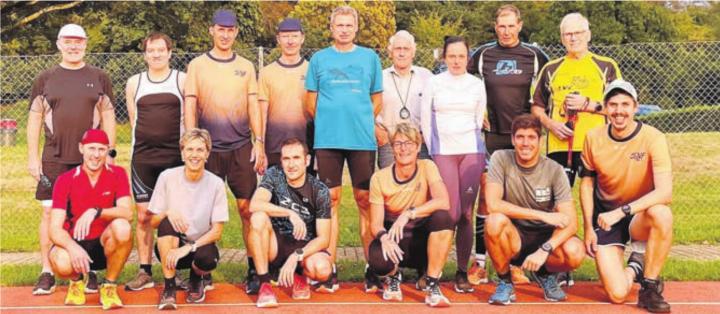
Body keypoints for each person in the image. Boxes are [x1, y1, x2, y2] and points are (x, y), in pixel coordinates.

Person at [531, 12, 621, 286]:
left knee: (602, 206)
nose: (573, 38)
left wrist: (589, 104)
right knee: (560, 207)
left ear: (588, 34)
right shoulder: (552, 68)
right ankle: (561, 264)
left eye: (578, 32)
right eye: (568, 34)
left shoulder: (605, 66)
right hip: (560, 147)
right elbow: (536, 107)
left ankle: (609, 263)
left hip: (598, 146)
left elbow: (620, 108)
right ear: (562, 38)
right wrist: (551, 124)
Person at [28, 23, 117, 295]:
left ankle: (87, 271)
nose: (74, 45)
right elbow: (34, 119)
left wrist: (109, 154)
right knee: (48, 213)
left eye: (79, 41)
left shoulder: (100, 77)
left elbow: (109, 115)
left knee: (87, 215)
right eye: (68, 41)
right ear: (58, 44)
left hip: (90, 160)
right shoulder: (45, 78)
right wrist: (33, 158)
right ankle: (47, 271)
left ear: (86, 44)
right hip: (54, 158)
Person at [184, 9, 265, 294]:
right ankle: (202, 270)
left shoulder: (246, 66)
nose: (225, 34)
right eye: (221, 29)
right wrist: (192, 141)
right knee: (206, 214)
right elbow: (190, 103)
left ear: (236, 33)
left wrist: (260, 141)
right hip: (210, 150)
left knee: (247, 209)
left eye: (230, 30)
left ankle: (255, 268)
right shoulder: (197, 65)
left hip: (241, 147)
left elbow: (253, 105)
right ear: (212, 31)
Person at [467, 4, 548, 285]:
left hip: (525, 139)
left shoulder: (535, 55)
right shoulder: (482, 55)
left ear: (520, 26)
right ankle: (479, 263)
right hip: (491, 136)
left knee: (519, 199)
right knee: (488, 200)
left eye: (511, 25)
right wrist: (478, 112)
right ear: (495, 27)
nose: (506, 31)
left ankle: (516, 262)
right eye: (501, 26)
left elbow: (546, 93)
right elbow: (462, 83)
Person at [304, 5, 383, 292]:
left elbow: (377, 100)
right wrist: (331, 121)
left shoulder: (370, 58)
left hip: (361, 140)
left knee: (365, 201)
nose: (344, 29)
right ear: (332, 28)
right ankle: (329, 267)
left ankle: (372, 267)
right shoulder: (319, 59)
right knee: (330, 202)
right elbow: (310, 103)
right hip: (327, 141)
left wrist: (359, 120)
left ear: (356, 28)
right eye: (340, 25)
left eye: (349, 25)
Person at [580, 80, 673, 313]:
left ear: (635, 107)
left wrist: (621, 211)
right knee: (618, 295)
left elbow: (665, 192)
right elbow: (587, 184)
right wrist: (588, 228)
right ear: (605, 107)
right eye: (613, 104)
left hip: (638, 217)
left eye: (625, 104)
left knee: (662, 213)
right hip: (605, 220)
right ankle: (637, 265)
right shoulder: (592, 137)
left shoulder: (654, 137)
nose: (619, 111)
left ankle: (649, 288)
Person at [484, 114, 585, 305]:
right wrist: (542, 215)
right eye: (520, 137)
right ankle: (505, 282)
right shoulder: (501, 158)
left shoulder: (554, 170)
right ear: (513, 139)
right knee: (494, 221)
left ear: (540, 140)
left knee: (575, 251)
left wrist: (545, 249)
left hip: (544, 237)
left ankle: (546, 274)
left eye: (531, 137)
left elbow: (571, 221)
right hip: (515, 235)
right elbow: (493, 204)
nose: (525, 143)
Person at [419, 36, 486, 293]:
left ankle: (460, 272)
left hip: (470, 152)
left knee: (466, 214)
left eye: (461, 56)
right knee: (447, 211)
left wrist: (471, 148)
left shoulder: (476, 85)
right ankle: (432, 269)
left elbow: (478, 119)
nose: (456, 61)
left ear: (467, 58)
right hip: (443, 152)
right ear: (444, 57)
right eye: (452, 56)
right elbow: (426, 120)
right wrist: (436, 151)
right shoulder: (434, 83)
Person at [124, 31, 186, 291]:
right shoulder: (134, 83)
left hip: (174, 158)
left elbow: (190, 118)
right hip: (143, 159)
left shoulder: (182, 80)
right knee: (144, 217)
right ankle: (145, 270)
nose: (157, 54)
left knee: (174, 217)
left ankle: (174, 271)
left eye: (162, 50)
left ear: (170, 52)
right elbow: (133, 119)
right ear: (145, 54)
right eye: (152, 50)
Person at [367, 123, 454, 307]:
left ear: (417, 146)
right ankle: (392, 277)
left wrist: (409, 213)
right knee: (377, 258)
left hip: (421, 237)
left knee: (444, 218)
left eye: (409, 143)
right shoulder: (379, 178)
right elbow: (375, 223)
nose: (404, 148)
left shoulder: (427, 166)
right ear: (392, 148)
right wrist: (384, 238)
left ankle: (432, 284)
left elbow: (443, 200)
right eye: (398, 144)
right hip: (396, 238)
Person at [47, 129, 132, 310]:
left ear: (107, 150)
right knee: (60, 261)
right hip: (77, 245)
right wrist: (72, 248)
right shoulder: (65, 180)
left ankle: (109, 286)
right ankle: (76, 283)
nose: (96, 155)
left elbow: (128, 213)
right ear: (81, 148)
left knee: (123, 227)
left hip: (104, 243)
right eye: (91, 148)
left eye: (101, 149)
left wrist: (96, 211)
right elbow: (54, 229)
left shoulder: (118, 173)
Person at [148, 128, 229, 310]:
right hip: (172, 249)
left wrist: (189, 248)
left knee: (207, 259)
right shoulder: (167, 177)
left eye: (200, 150)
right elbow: (153, 222)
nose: (195, 155)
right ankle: (169, 288)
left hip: (198, 246)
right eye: (190, 149)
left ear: (207, 154)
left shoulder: (216, 183)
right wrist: (168, 212)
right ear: (182, 153)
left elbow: (217, 231)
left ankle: (196, 277)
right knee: (166, 223)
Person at [248, 138, 333, 308]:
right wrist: (290, 213)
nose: (291, 164)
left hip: (304, 247)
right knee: (258, 218)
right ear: (281, 161)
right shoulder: (274, 174)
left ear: (307, 161)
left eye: (296, 158)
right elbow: (254, 204)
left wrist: (297, 256)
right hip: (277, 244)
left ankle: (299, 274)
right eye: (286, 159)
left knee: (322, 269)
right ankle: (265, 284)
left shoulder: (320, 190)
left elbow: (324, 239)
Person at [376, 30, 433, 169]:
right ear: (390, 52)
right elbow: (366, 108)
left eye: (406, 49)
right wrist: (378, 133)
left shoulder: (427, 77)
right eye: (397, 49)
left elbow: (437, 107)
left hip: (420, 143)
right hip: (390, 143)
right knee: (391, 187)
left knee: (422, 187)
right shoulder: (379, 78)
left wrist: (427, 134)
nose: (401, 53)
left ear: (413, 52)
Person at [258, 18, 311, 169]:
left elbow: (319, 111)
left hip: (305, 146)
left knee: (304, 192)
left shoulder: (312, 70)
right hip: (275, 147)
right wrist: (260, 146)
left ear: (302, 38)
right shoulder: (266, 72)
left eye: (294, 36)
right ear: (278, 39)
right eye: (285, 36)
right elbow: (262, 113)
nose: (290, 41)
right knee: (276, 192)